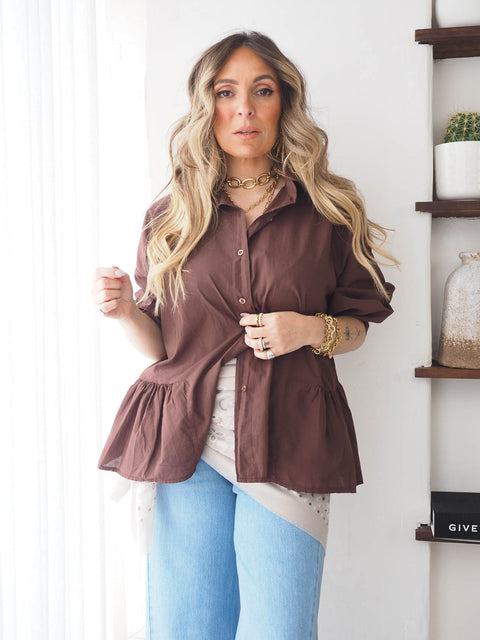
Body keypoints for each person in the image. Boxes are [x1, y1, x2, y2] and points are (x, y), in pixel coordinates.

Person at [92, 31, 396, 640]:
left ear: (285, 102)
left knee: (279, 629)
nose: (244, 109)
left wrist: (307, 329)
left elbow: (358, 326)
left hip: (289, 435)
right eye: (226, 92)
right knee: (189, 626)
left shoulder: (329, 210)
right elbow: (163, 347)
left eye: (262, 91)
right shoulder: (172, 214)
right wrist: (126, 311)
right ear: (207, 104)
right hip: (185, 440)